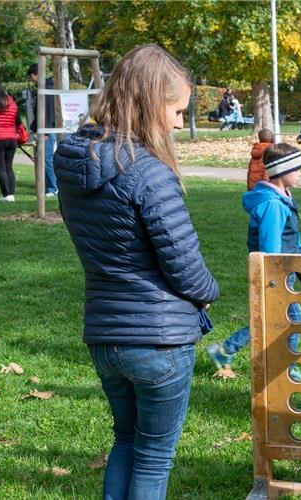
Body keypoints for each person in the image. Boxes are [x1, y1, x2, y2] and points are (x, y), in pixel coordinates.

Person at [53, 44, 220, 498]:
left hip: (105, 336)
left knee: (126, 441)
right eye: (177, 111)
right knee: (153, 457)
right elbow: (186, 268)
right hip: (157, 339)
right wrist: (210, 292)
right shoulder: (149, 173)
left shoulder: (72, 161)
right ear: (149, 103)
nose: (179, 123)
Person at [206, 143, 301, 380]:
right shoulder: (273, 205)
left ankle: (225, 350)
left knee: (271, 318)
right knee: (293, 320)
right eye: (297, 169)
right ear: (282, 171)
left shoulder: (282, 198)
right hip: (277, 272)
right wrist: (275, 277)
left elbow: (294, 238)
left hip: (288, 271)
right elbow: (270, 248)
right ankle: (286, 368)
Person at [27, 63, 58, 197]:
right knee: (45, 159)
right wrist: (33, 127)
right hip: (46, 128)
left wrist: (45, 131)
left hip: (47, 129)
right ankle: (50, 186)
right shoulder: (46, 87)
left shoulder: (46, 89)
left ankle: (53, 188)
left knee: (46, 159)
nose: (31, 80)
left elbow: (48, 112)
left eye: (31, 77)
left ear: (36, 75)